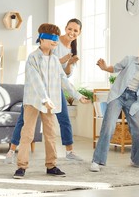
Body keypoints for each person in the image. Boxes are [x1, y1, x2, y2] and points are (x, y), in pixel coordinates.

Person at [13, 23, 90, 179]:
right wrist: (44, 99)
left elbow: (63, 80)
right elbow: (36, 81)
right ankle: (21, 166)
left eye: (56, 39)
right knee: (27, 134)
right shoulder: (32, 58)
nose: (55, 42)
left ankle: (51, 165)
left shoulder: (55, 60)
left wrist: (77, 95)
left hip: (50, 103)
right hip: (33, 101)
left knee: (50, 134)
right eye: (52, 39)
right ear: (41, 39)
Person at [90, 40, 139, 172]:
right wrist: (105, 67)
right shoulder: (130, 60)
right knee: (108, 126)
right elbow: (115, 68)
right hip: (118, 95)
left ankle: (135, 160)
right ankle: (97, 161)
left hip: (133, 100)